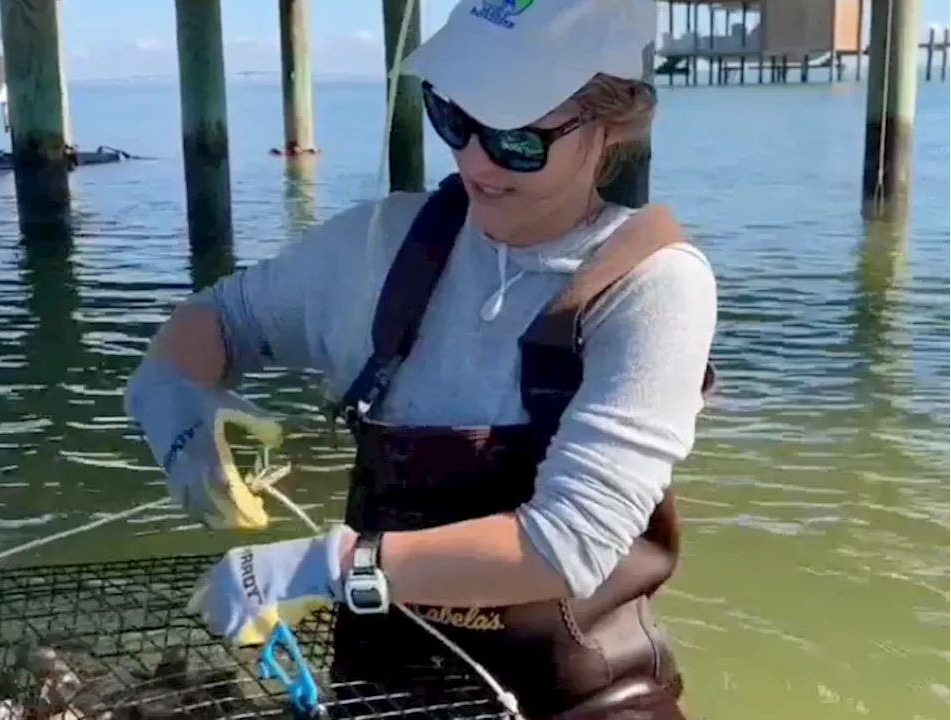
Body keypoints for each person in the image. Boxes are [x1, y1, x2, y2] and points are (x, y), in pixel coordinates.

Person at [124, 0, 717, 717]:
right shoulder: (380, 244)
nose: (473, 160)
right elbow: (221, 317)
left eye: (517, 140)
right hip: (385, 685)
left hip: (580, 698)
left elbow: (568, 544)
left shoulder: (656, 286)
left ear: (612, 122)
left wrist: (330, 565)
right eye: (453, 117)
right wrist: (174, 393)